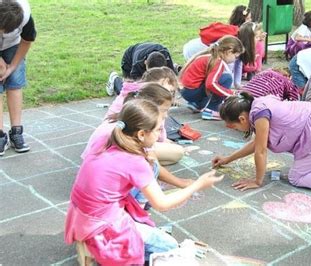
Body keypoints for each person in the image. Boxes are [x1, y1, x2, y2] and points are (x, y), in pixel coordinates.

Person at [65, 99, 223, 265]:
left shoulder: (108, 140)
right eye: (158, 130)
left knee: (152, 168)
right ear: (141, 134)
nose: (160, 135)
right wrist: (197, 184)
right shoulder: (134, 161)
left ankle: (108, 240)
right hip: (104, 228)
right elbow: (163, 203)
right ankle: (110, 250)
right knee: (169, 246)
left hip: (81, 217)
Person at [212, 92, 311, 198]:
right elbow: (256, 144)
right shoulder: (259, 105)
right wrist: (228, 159)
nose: (236, 130)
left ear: (241, 119)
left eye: (233, 127)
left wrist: (257, 181)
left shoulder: (259, 115)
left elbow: (260, 151)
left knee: (297, 177)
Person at [104, 67, 184, 166]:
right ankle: (136, 161)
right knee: (177, 152)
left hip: (115, 141)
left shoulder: (138, 91)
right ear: (165, 81)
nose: (171, 95)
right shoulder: (151, 99)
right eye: (171, 91)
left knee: (165, 153)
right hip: (120, 143)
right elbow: (155, 136)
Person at [0, 0, 36, 156]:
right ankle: (0, 135)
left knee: (15, 82)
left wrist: (12, 67)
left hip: (13, 45)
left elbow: (27, 41)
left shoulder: (25, 18)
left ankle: (16, 132)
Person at [180, 35, 244, 120]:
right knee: (226, 78)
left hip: (186, 91)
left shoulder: (209, 55)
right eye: (235, 57)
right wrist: (230, 93)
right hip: (192, 92)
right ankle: (211, 110)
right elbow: (211, 84)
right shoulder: (217, 61)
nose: (235, 60)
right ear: (229, 51)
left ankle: (197, 104)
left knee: (217, 79)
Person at [106, 42, 174, 96]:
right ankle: (115, 80)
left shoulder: (166, 56)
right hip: (129, 59)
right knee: (129, 94)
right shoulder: (137, 63)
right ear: (145, 63)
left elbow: (173, 79)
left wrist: (171, 97)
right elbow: (135, 85)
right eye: (150, 73)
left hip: (144, 52)